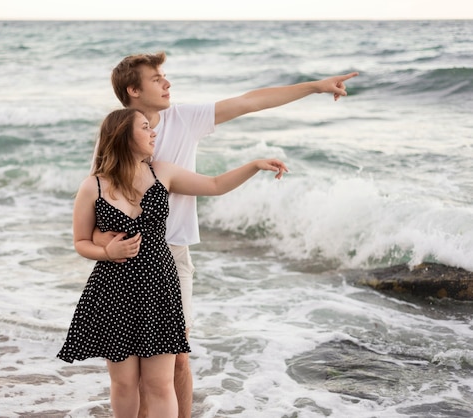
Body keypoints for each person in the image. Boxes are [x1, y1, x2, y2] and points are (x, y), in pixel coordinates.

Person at [94, 51, 359, 417]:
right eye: (156, 78)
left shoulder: (184, 118)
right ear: (133, 90)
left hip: (173, 253)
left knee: (177, 361)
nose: (167, 83)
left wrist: (315, 86)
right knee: (135, 371)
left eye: (164, 75)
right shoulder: (115, 136)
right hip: (126, 258)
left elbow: (250, 101)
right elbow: (99, 198)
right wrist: (107, 248)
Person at [58, 108, 288, 418]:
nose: (153, 132)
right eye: (144, 127)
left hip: (159, 286)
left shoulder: (161, 172)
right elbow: (81, 241)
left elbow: (216, 185)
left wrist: (254, 165)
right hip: (113, 290)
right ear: (124, 136)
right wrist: (107, 253)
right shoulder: (93, 186)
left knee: (160, 384)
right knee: (124, 383)